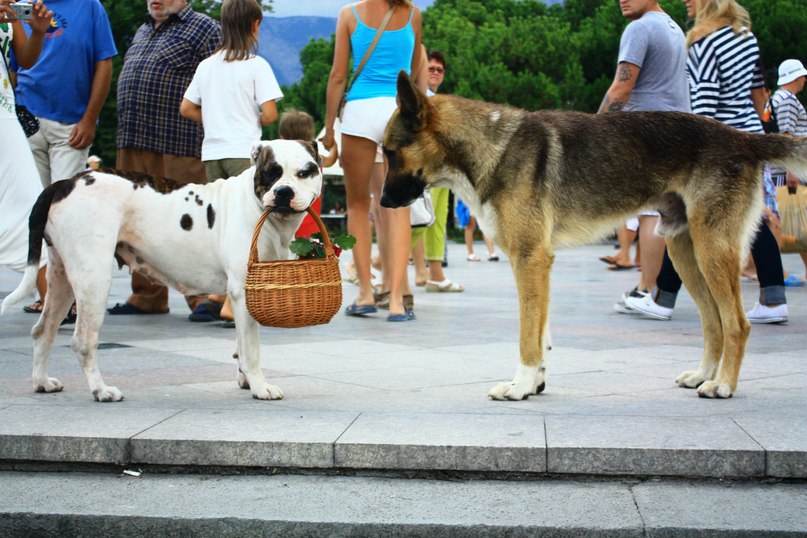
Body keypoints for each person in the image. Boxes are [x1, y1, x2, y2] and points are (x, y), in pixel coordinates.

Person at [625, 0, 789, 324]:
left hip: (714, 144)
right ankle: (773, 297)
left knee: (689, 222)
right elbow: (757, 92)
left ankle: (662, 298)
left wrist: (691, 145)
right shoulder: (745, 36)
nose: (686, 1)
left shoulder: (702, 39)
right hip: (749, 135)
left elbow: (704, 97)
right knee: (748, 221)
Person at [109, 0, 221, 316]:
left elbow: (220, 80)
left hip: (180, 141)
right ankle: (147, 296)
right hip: (133, 139)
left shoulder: (205, 28)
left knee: (188, 222)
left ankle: (202, 297)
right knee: (137, 221)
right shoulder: (143, 29)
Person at [179, 0, 283, 327]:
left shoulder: (206, 65)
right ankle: (234, 301)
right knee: (248, 226)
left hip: (213, 152)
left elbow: (186, 108)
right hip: (243, 151)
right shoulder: (256, 65)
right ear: (254, 25)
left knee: (221, 224)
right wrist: (248, 116)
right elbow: (270, 114)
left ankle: (215, 296)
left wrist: (214, 120)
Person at [321, 0, 423, 322]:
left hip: (360, 112)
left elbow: (338, 75)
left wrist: (327, 130)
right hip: (397, 111)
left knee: (357, 205)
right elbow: (415, 71)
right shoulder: (412, 14)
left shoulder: (349, 15)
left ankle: (365, 293)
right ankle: (395, 300)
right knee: (398, 207)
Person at [597, 0, 691, 316]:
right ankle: (646, 288)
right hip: (679, 129)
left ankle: (649, 290)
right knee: (670, 214)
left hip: (649, 131)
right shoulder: (675, 28)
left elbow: (622, 87)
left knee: (652, 214)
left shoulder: (640, 28)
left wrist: (594, 130)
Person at [0, 0, 70, 321]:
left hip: (5, 116)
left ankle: (55, 306)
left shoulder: (7, 10)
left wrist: (39, 32)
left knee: (31, 202)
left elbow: (25, 59)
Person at [11, 0, 116, 189]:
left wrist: (90, 119)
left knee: (62, 203)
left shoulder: (90, 6)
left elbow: (104, 63)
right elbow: (12, 66)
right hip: (26, 117)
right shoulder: (22, 6)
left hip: (71, 126)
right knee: (30, 202)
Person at [409, 50, 465, 293]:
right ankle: (376, 262)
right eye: (430, 68)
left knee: (434, 219)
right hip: (426, 168)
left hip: (441, 167)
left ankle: (433, 273)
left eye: (439, 70)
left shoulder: (436, 100)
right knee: (422, 220)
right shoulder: (421, 98)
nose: (434, 72)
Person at [770, 58, 807, 286]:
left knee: (794, 221)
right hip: (788, 172)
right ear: (795, 77)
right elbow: (785, 137)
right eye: (802, 75)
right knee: (798, 221)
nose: (805, 79)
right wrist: (791, 171)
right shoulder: (787, 101)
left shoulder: (781, 98)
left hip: (785, 170)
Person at [278, 109, 338, 239]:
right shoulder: (315, 159)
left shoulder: (279, 160)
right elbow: (332, 159)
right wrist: (334, 147)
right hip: (311, 222)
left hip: (283, 224)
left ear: (282, 137)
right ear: (311, 136)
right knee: (308, 256)